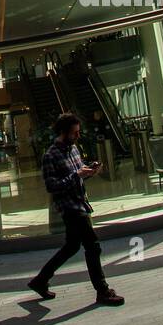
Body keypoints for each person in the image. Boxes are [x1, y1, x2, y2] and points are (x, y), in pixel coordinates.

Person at [27, 112, 124, 306]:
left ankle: (40, 280)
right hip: (69, 207)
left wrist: (89, 171)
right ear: (63, 132)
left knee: (71, 246)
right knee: (92, 246)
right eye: (74, 133)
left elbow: (78, 174)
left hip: (80, 202)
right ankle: (102, 290)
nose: (78, 136)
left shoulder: (73, 149)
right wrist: (77, 175)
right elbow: (51, 186)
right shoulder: (50, 156)